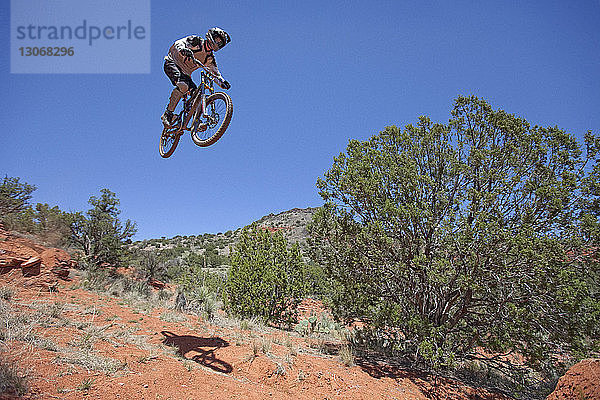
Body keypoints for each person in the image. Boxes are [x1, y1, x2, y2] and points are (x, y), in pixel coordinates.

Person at [161, 27, 231, 126]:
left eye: (220, 43)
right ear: (211, 35)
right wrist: (183, 50)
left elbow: (215, 73)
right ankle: (168, 114)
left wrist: (222, 82)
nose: (217, 43)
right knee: (184, 86)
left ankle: (195, 121)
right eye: (217, 39)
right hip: (173, 63)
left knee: (196, 96)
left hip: (185, 74)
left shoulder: (209, 58)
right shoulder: (196, 41)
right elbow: (179, 43)